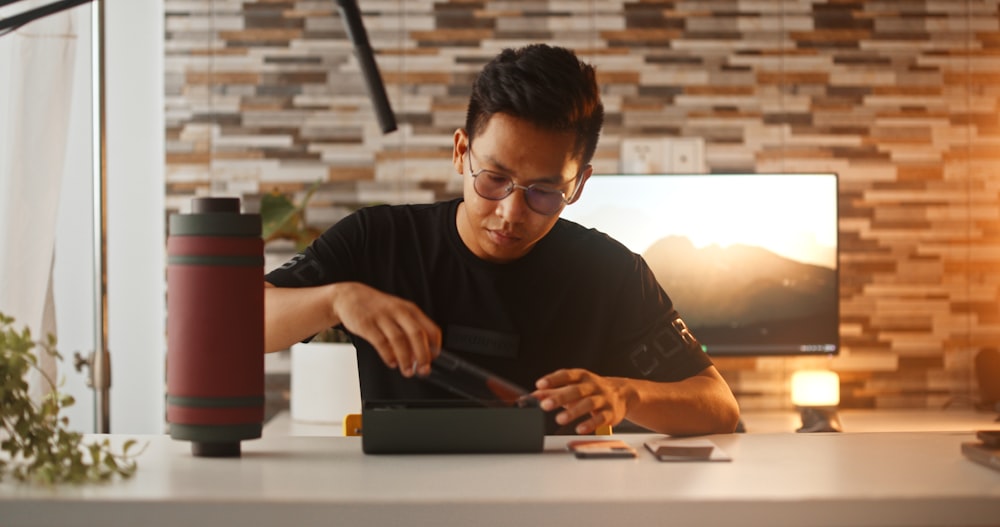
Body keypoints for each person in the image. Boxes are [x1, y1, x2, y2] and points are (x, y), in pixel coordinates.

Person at [264, 44, 740, 436]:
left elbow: (718, 403)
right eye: (493, 178)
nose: (511, 213)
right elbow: (234, 327)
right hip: (405, 501)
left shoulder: (612, 272)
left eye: (545, 192)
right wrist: (336, 300)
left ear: (578, 186)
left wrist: (625, 394)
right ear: (460, 152)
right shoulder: (377, 240)